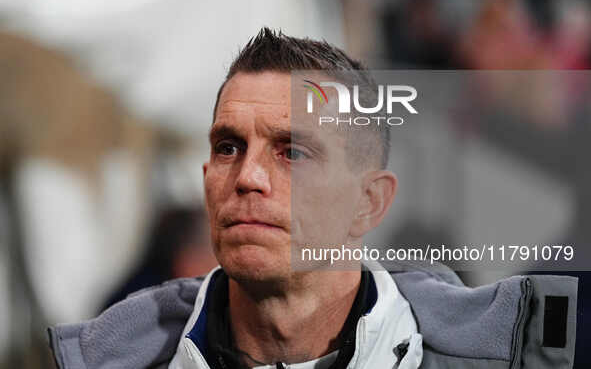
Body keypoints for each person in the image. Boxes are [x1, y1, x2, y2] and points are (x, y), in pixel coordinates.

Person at [48, 28, 578, 369]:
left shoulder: (502, 359)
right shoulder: (108, 358)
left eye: (292, 152)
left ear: (369, 203)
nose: (248, 176)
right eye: (229, 146)